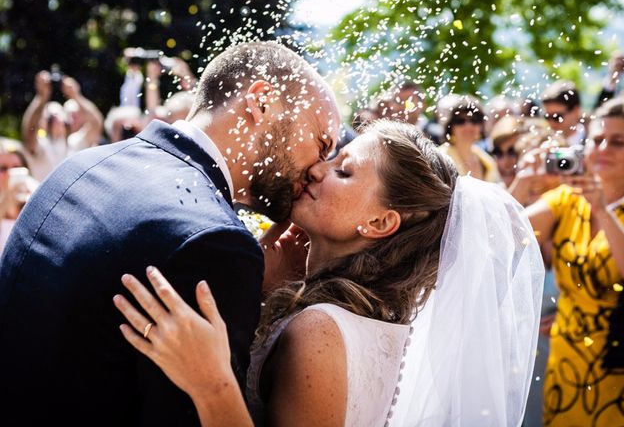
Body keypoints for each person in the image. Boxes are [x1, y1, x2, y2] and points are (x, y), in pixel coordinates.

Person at [114, 120, 544, 427]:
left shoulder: (319, 329)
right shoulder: (353, 313)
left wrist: (211, 383)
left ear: (379, 223)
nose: (319, 168)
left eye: (344, 171)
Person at [0, 41, 340, 426]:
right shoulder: (216, 243)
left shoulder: (79, 166)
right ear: (261, 102)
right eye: (322, 143)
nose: (318, 169)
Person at [525, 97, 624, 426]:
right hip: (567, 361)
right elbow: (507, 237)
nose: (604, 148)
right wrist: (523, 184)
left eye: (618, 142)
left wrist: (602, 210)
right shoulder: (565, 199)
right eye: (597, 140)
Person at [21, 70, 104, 180]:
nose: (56, 118)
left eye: (59, 114)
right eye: (51, 117)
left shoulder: (74, 143)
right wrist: (41, 97)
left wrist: (76, 95)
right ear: (42, 123)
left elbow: (96, 124)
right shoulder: (41, 145)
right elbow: (29, 130)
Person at [437, 94, 502, 182]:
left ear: (481, 126)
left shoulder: (487, 162)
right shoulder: (440, 157)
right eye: (460, 121)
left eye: (474, 120)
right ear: (451, 126)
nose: (468, 126)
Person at [540, 80, 586, 146]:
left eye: (557, 117)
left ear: (576, 111)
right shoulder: (542, 143)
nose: (551, 122)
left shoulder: (596, 142)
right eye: (547, 117)